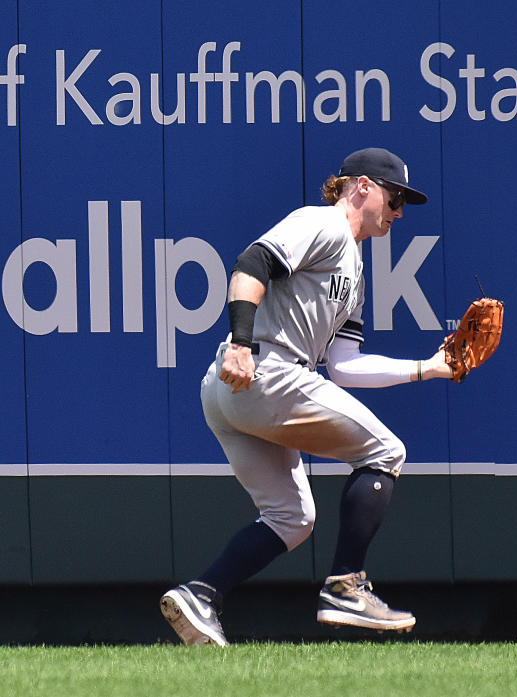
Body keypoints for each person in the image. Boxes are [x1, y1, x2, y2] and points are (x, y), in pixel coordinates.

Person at [160, 147, 452, 646]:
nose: (399, 211)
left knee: (292, 519)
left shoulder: (355, 271)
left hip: (239, 391)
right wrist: (240, 342)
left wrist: (429, 368)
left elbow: (345, 367)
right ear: (361, 186)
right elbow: (252, 261)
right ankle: (346, 586)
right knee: (385, 452)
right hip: (263, 370)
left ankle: (202, 595)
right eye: (395, 196)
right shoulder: (323, 223)